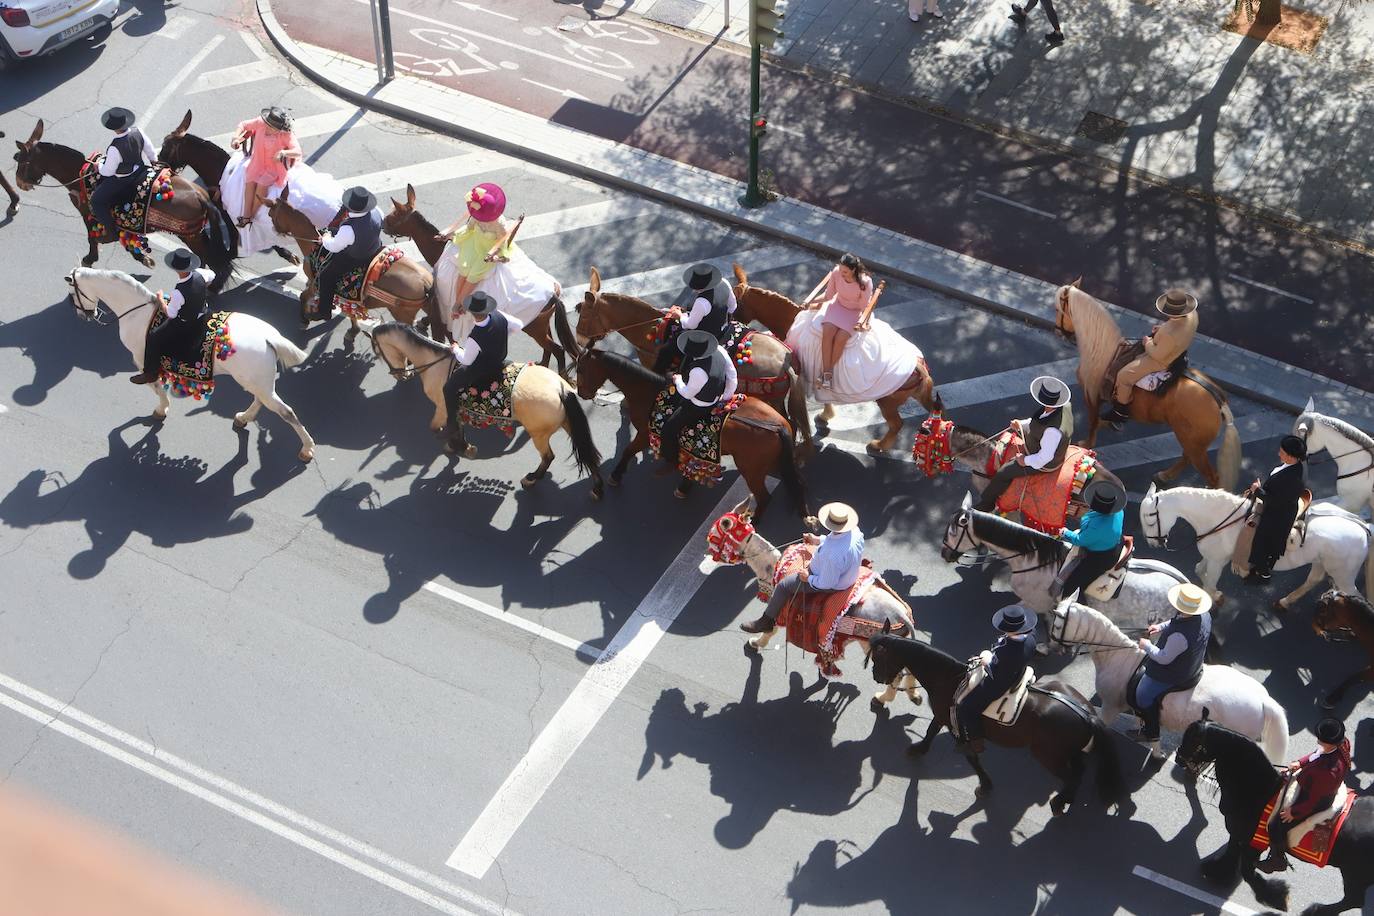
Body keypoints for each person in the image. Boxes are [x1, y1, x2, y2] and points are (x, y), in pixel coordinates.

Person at [739, 503, 866, 634]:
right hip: (850, 574)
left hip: (835, 584)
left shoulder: (832, 555)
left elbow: (827, 583)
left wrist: (808, 577)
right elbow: (833, 540)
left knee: (783, 586)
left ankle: (766, 622)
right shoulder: (855, 531)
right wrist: (816, 540)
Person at [1257, 717, 1352, 874]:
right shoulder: (1342, 744)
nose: (1318, 741)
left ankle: (1277, 860)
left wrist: (1293, 812)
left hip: (1315, 800)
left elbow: (1312, 801)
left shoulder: (1328, 772)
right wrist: (1301, 762)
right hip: (1316, 785)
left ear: (1330, 742)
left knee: (1275, 826)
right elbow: (1318, 754)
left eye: (1321, 739)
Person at [1126, 583, 1212, 745]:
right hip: (1194, 663)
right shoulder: (1204, 615)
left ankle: (1151, 733)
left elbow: (1164, 658)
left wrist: (1146, 646)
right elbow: (1176, 621)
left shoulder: (1179, 636)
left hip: (1176, 673)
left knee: (1142, 696)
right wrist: (1159, 627)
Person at [974, 376, 1074, 512]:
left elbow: (1043, 458)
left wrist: (1024, 460)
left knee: (1004, 472)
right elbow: (1038, 421)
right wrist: (1020, 424)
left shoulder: (1052, 432)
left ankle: (987, 503)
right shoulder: (1065, 406)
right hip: (1047, 440)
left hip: (1046, 462)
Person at [1101, 288, 1199, 426]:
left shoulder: (1170, 334)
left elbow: (1158, 354)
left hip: (1160, 360)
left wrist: (1148, 343)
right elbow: (1174, 325)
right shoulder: (1192, 315)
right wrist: (1161, 329)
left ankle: (1120, 411)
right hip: (1179, 350)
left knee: (1123, 376)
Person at [955, 604, 1038, 754]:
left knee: (967, 707)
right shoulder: (1032, 635)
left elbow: (994, 671)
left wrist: (985, 660)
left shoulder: (1007, 651)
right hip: (1019, 670)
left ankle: (976, 743)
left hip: (1001, 682)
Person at [655, 329, 738, 477]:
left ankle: (671, 461)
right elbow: (732, 375)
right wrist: (726, 396)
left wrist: (677, 379)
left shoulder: (698, 371)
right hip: (716, 395)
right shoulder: (720, 350)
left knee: (668, 428)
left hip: (699, 405)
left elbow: (687, 393)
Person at [129, 248, 213, 385]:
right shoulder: (201, 274)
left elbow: (171, 313)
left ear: (177, 270)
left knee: (153, 336)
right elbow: (212, 275)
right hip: (203, 313)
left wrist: (160, 298)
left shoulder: (178, 292)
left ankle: (150, 373)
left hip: (186, 323)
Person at [443, 291, 524, 417]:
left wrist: (455, 349)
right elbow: (518, 325)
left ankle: (452, 424)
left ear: (471, 312)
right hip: (501, 357)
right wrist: (501, 336)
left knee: (448, 388)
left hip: (486, 367)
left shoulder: (475, 337)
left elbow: (466, 360)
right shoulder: (499, 315)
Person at [311, 186, 382, 322]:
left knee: (326, 276)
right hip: (376, 247)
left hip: (357, 257)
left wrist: (325, 236)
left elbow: (333, 246)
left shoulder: (348, 229)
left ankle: (324, 311)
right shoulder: (377, 211)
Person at [1244, 434, 1308, 582]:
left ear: (1292, 457)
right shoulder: (1295, 466)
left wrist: (1257, 490)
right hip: (1282, 503)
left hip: (1279, 513)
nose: (1279, 454)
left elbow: (1274, 501)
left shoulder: (1292, 479)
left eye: (1282, 452)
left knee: (1262, 539)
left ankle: (1263, 570)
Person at [805, 253, 874, 390]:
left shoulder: (865, 282)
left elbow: (863, 306)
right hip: (837, 306)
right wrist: (810, 300)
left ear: (853, 270)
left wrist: (858, 315)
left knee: (840, 338)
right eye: (841, 270)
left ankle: (826, 374)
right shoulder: (837, 272)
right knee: (827, 332)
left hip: (854, 312)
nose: (842, 273)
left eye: (845, 272)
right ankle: (827, 374)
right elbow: (829, 295)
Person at [228, 106, 301, 228]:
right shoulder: (261, 123)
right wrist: (236, 137)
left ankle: (250, 216)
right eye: (267, 123)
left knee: (262, 185)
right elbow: (243, 125)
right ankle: (246, 215)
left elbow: (297, 151)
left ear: (278, 129)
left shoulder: (286, 135)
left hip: (274, 168)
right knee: (250, 181)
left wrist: (283, 153)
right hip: (258, 162)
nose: (266, 126)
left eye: (271, 127)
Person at [1055, 478, 1127, 598]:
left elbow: (1079, 540)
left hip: (1100, 558)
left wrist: (1065, 532)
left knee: (1073, 582)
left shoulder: (1096, 527)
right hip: (1116, 543)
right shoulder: (1119, 511)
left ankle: (1069, 602)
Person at [90, 108, 156, 237]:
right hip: (142, 170)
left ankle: (111, 232)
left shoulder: (115, 147)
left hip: (123, 179)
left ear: (113, 128)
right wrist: (154, 163)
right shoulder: (139, 131)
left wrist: (99, 165)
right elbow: (151, 151)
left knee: (96, 201)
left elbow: (108, 172)